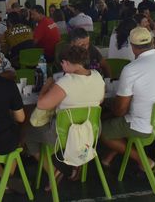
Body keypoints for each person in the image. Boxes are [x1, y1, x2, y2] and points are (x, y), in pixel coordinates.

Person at [101, 28, 155, 169]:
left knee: (103, 130)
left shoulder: (131, 69)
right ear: (152, 42)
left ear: (132, 46)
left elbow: (120, 110)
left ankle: (142, 159)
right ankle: (110, 157)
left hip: (145, 128)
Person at [26, 45, 105, 187]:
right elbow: (100, 101)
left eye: (62, 64)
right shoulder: (98, 76)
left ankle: (54, 170)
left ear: (67, 62)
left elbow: (42, 104)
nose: (62, 67)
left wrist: (47, 85)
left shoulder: (66, 82)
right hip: (90, 133)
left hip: (63, 136)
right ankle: (70, 165)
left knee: (29, 135)